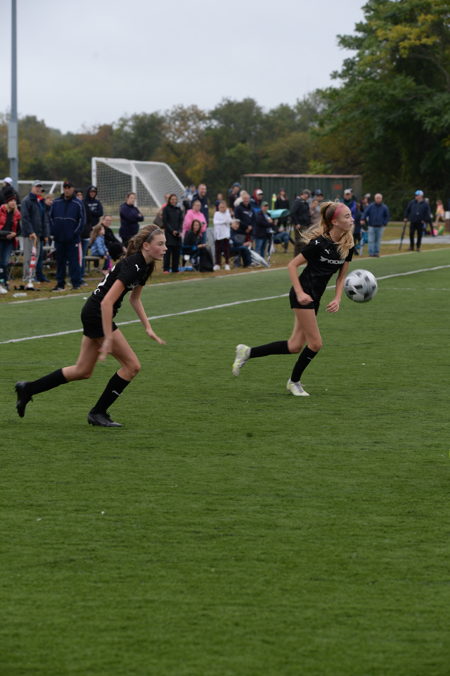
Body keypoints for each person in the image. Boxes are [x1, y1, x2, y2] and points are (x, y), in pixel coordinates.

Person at [14, 225, 167, 427]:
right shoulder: (134, 265)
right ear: (146, 246)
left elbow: (135, 299)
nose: (165, 248)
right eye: (160, 244)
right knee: (132, 366)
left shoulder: (145, 266)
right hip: (97, 314)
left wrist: (148, 327)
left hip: (93, 313)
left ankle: (28, 389)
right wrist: (108, 337)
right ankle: (98, 413)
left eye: (164, 244)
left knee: (82, 370)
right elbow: (106, 303)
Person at [232, 201, 354, 396]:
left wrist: (337, 298)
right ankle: (294, 382)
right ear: (334, 221)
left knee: (294, 346)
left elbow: (341, 277)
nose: (351, 219)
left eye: (350, 215)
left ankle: (247, 352)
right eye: (347, 216)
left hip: (314, 297)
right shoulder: (319, 243)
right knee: (316, 344)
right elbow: (292, 265)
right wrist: (300, 293)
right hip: (303, 294)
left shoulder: (347, 245)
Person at [49, 181, 85, 291]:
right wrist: (54, 232)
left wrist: (75, 233)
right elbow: (50, 218)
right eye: (65, 187)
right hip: (59, 238)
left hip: (72, 239)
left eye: (69, 187)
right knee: (60, 262)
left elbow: (82, 220)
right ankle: (60, 284)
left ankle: (76, 283)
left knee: (74, 262)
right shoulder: (56, 202)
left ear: (73, 189)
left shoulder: (78, 203)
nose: (67, 190)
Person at [20, 181, 44, 290]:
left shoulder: (38, 201)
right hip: (30, 235)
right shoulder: (27, 200)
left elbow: (41, 218)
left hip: (38, 234)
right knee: (29, 256)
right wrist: (30, 232)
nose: (38, 189)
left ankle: (32, 277)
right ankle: (27, 277)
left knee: (36, 256)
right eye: (36, 187)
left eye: (39, 187)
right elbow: (25, 218)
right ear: (32, 188)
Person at [81, 186, 104, 281]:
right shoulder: (84, 202)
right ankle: (84, 267)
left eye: (94, 192)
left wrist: (91, 212)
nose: (92, 193)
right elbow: (86, 214)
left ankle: (96, 266)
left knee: (96, 245)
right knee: (86, 247)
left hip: (96, 227)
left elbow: (100, 213)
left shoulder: (97, 202)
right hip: (87, 228)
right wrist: (93, 213)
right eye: (91, 192)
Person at [0, 191, 21, 293]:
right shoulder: (1, 211)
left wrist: (14, 234)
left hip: (9, 242)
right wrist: (7, 233)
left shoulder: (16, 214)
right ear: (7, 202)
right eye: (11, 200)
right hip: (0, 239)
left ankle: (4, 282)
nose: (13, 202)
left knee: (4, 263)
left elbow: (19, 230)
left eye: (14, 200)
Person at [361, 193, 390, 257]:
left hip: (380, 226)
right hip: (371, 226)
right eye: (377, 198)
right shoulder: (371, 206)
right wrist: (362, 219)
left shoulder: (384, 207)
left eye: (379, 198)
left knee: (377, 240)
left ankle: (376, 252)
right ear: (375, 199)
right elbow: (365, 213)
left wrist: (384, 223)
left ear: (381, 199)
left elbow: (387, 216)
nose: (378, 199)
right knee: (371, 240)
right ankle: (371, 253)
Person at [162, 193, 183, 273]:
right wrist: (172, 231)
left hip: (177, 235)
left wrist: (179, 231)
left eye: (175, 199)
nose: (174, 201)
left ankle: (175, 269)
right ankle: (166, 269)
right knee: (167, 252)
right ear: (169, 200)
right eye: (172, 199)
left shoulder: (179, 209)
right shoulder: (166, 209)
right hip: (169, 234)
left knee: (176, 252)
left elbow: (181, 221)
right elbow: (165, 222)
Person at [35, 193, 52, 283]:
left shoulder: (48, 209)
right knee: (36, 256)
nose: (50, 201)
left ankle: (39, 274)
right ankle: (34, 275)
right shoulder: (39, 206)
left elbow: (46, 223)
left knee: (40, 256)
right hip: (36, 235)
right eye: (49, 199)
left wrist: (46, 235)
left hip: (42, 235)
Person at [290, 189, 311, 255]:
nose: (307, 196)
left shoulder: (305, 203)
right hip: (300, 225)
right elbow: (293, 213)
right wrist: (297, 223)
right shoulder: (298, 202)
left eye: (308, 195)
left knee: (303, 241)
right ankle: (298, 256)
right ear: (303, 194)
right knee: (299, 242)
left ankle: (301, 256)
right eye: (307, 194)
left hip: (305, 225)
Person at [213, 200, 232, 270]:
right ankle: (217, 264)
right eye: (220, 207)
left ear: (226, 207)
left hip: (225, 235)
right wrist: (223, 222)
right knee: (217, 250)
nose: (222, 208)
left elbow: (229, 221)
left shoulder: (227, 213)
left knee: (226, 250)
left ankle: (227, 264)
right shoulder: (216, 214)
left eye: (223, 207)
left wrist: (223, 221)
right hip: (218, 235)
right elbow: (215, 222)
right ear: (218, 207)